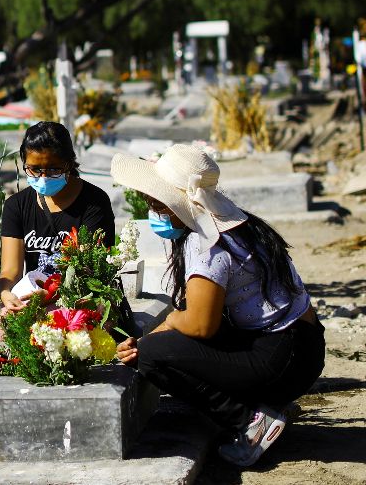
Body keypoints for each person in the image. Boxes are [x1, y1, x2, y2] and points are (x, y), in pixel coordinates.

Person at [111, 144, 324, 468]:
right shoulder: (231, 219)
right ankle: (268, 403)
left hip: (283, 356)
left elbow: (200, 324)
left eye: (158, 205)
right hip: (302, 344)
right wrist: (165, 328)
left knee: (154, 356)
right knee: (167, 343)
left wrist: (153, 337)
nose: (152, 212)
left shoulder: (205, 242)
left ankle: (249, 422)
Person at [0, 121, 125, 341]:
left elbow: (91, 271)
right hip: (33, 300)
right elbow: (10, 271)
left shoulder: (94, 203)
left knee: (76, 331)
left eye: (53, 169)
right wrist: (6, 294)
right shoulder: (16, 206)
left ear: (69, 164)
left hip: (80, 297)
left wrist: (51, 294)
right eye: (34, 169)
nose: (43, 177)